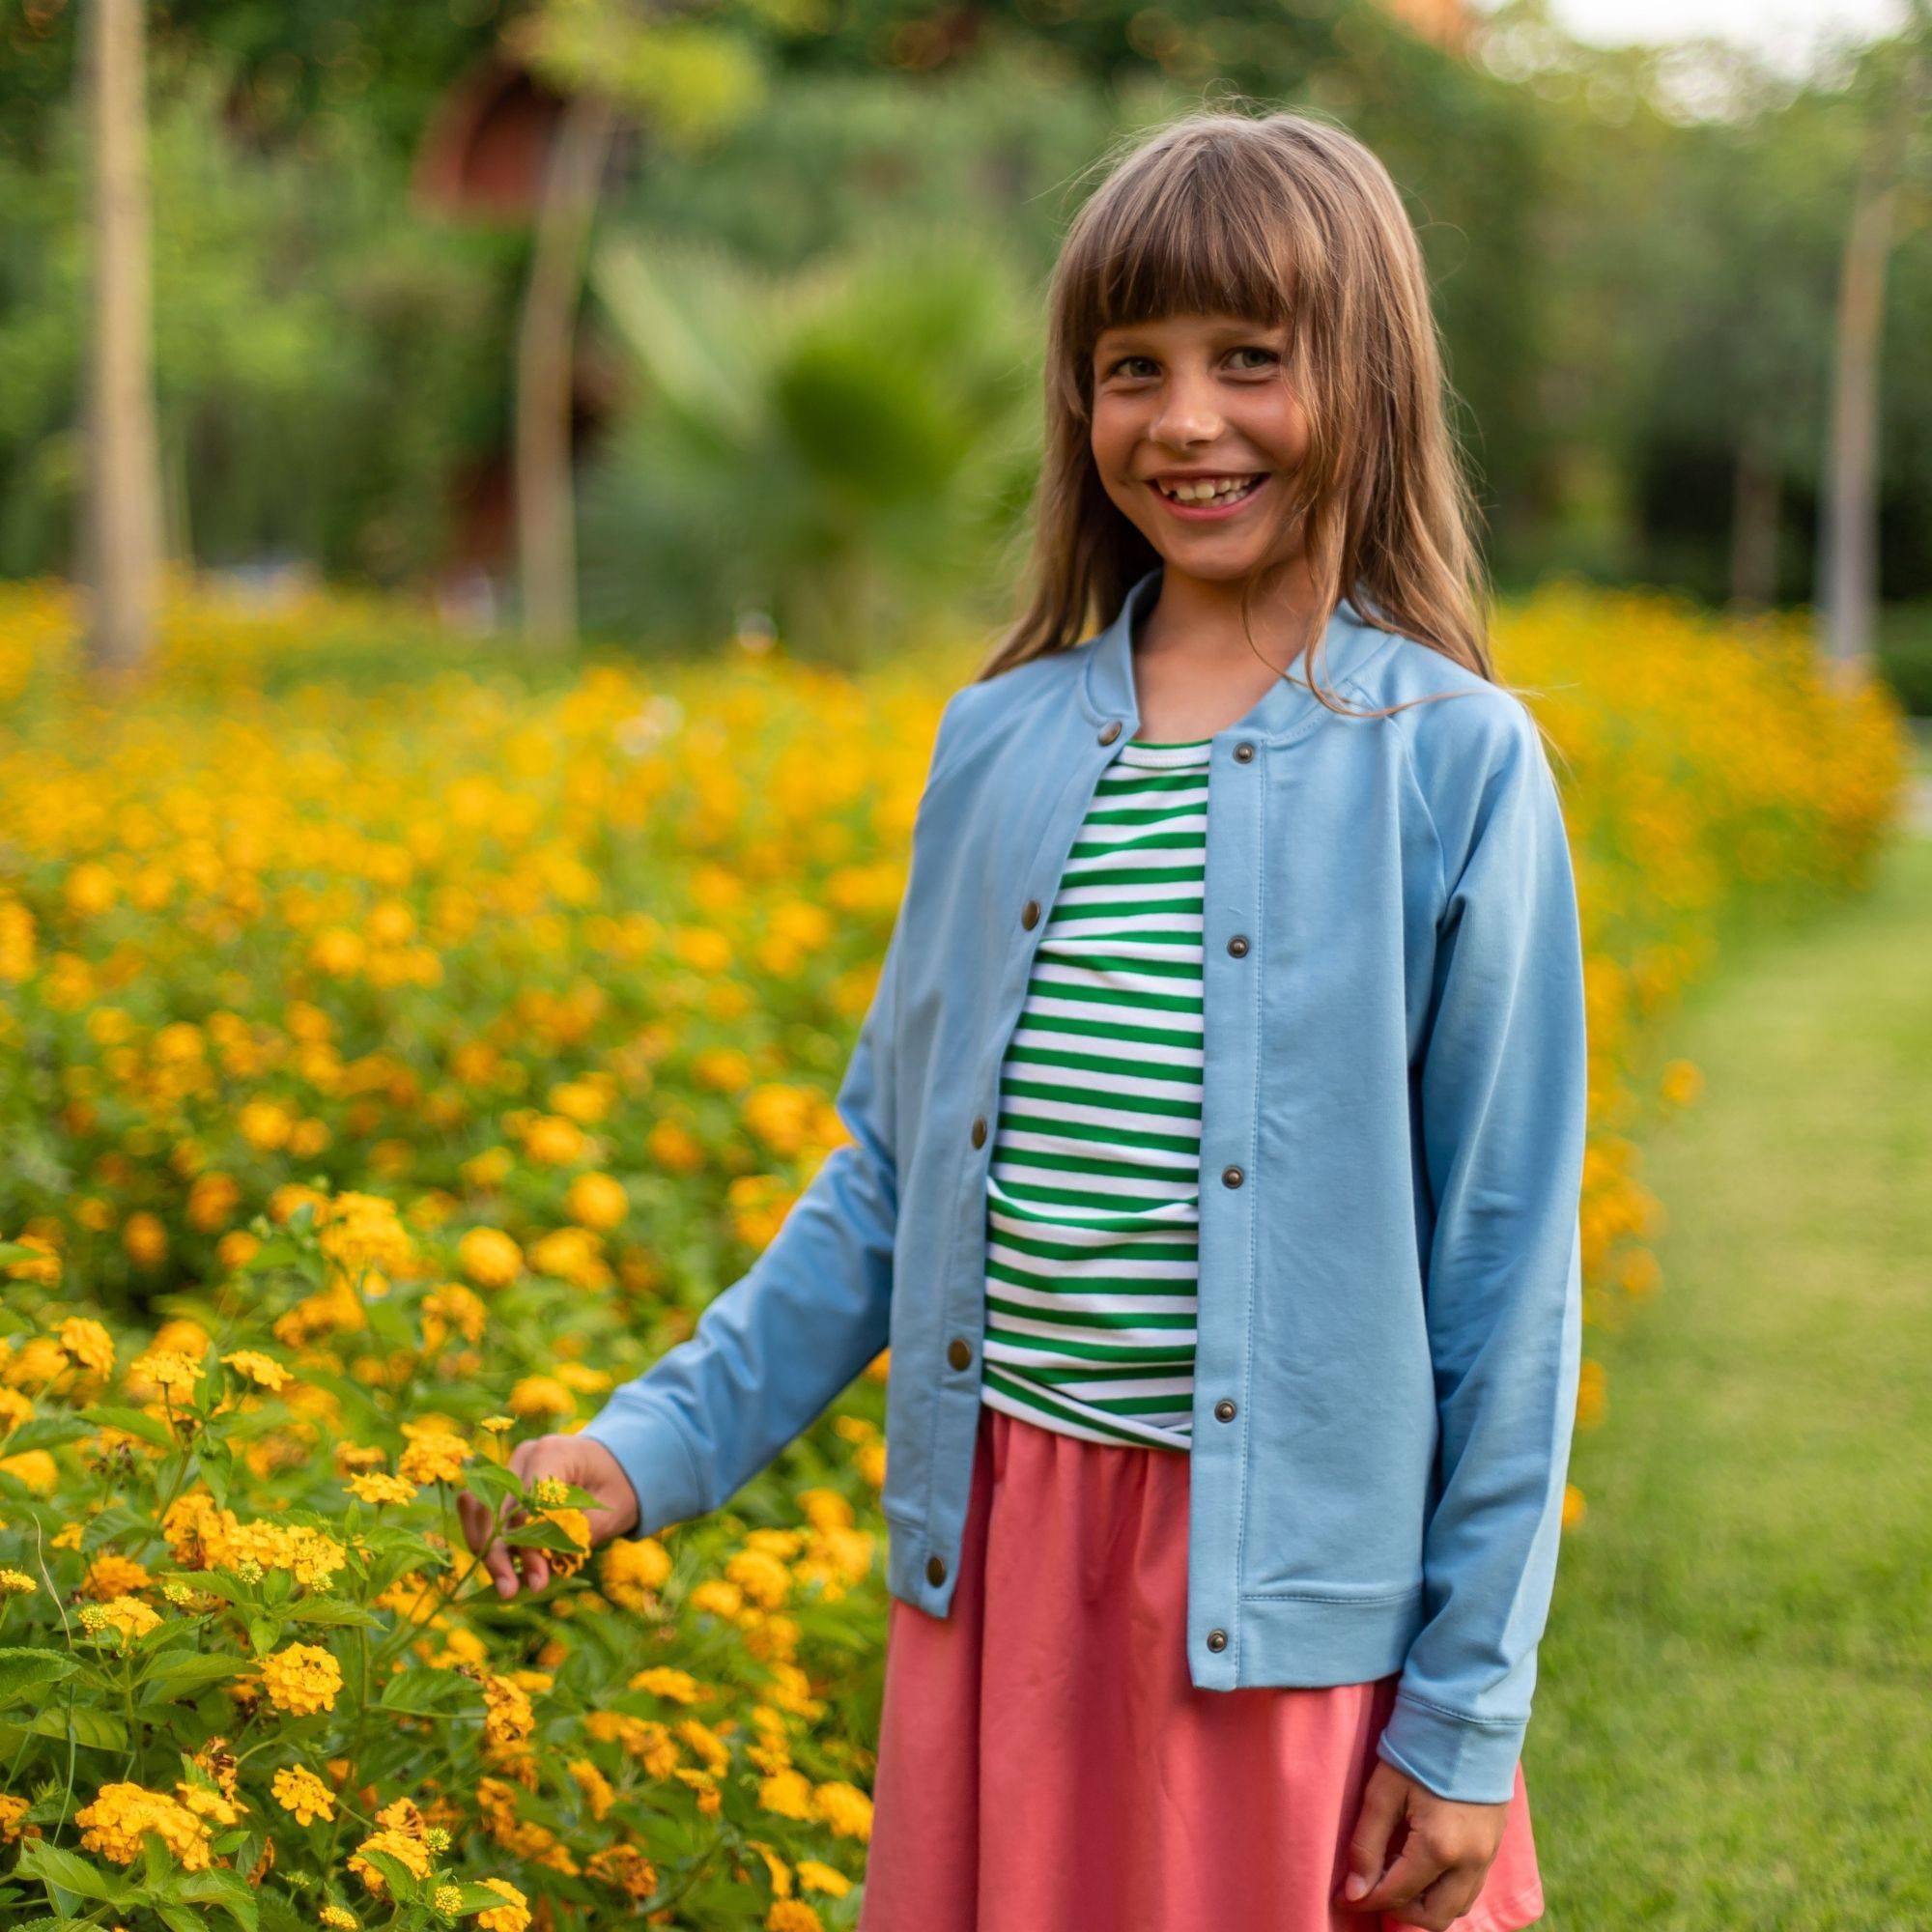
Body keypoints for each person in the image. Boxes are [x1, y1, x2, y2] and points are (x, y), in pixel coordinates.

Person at [460, 107, 1587, 1932]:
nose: (1185, 421)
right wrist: (649, 1446)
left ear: (1365, 378)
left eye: (1250, 360)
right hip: (1001, 1575)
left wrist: (1461, 1716)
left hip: (1285, 1613)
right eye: (1129, 368)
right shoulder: (998, 746)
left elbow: (1507, 1283)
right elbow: (892, 1187)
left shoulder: (1453, 762)